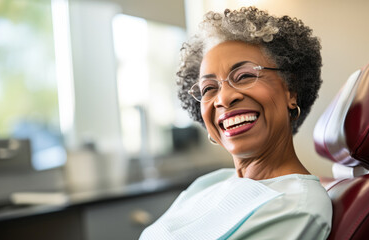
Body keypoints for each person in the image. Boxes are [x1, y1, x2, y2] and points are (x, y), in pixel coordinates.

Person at [140, 6, 332, 240]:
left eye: (244, 76)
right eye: (209, 88)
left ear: (290, 90)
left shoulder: (296, 208)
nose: (223, 98)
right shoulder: (210, 183)